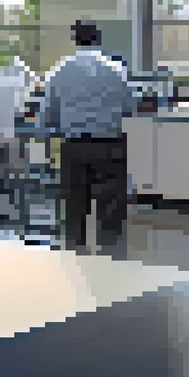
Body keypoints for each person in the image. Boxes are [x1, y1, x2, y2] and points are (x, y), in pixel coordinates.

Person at [42, 19, 136, 258]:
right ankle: (112, 261)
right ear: (98, 38)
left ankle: (76, 260)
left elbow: (48, 115)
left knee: (74, 206)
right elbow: (130, 107)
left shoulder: (60, 71)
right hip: (110, 145)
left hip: (76, 146)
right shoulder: (116, 70)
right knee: (111, 208)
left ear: (75, 39)